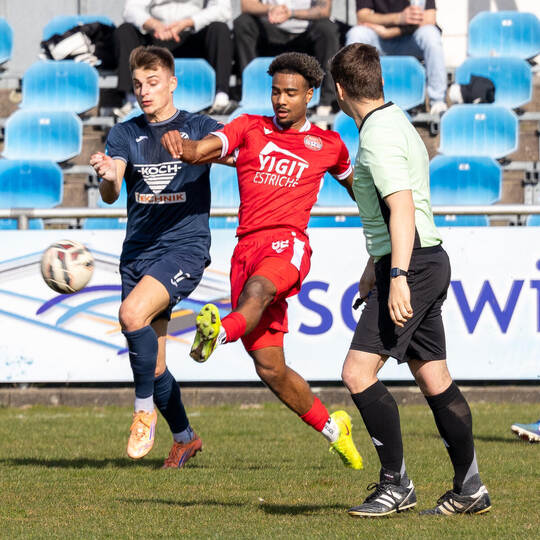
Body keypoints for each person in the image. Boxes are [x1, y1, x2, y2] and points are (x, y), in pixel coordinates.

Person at [161, 52, 363, 469]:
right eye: (275, 92)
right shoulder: (249, 127)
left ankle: (219, 333)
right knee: (270, 368)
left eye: (291, 93)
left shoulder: (329, 145)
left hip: (287, 244)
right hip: (246, 249)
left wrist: (388, 223)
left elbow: (358, 188)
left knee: (259, 290)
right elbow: (202, 150)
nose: (281, 100)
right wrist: (184, 147)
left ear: (310, 95)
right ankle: (334, 430)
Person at [329, 43, 491, 517]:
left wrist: (396, 275)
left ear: (340, 91)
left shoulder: (377, 136)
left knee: (357, 372)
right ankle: (470, 489)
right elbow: (400, 209)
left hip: (412, 264)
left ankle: (395, 485)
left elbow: (401, 206)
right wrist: (374, 266)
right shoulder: (396, 120)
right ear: (379, 81)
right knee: (434, 377)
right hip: (421, 259)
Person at [90, 45, 226, 468]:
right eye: (137, 85)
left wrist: (194, 148)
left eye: (153, 83)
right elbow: (111, 191)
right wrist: (108, 175)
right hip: (138, 254)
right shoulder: (124, 133)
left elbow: (231, 149)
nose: (144, 91)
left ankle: (143, 411)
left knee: (131, 314)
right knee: (154, 365)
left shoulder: (198, 125)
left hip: (184, 248)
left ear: (171, 83)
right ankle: (185, 438)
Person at [114, 0, 234, 116]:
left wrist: (189, 22)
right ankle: (132, 99)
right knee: (125, 30)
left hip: (193, 34)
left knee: (220, 28)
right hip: (155, 36)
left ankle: (221, 97)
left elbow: (223, 9)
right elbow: (131, 9)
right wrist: (154, 24)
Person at [234, 1, 340, 115]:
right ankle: (252, 93)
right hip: (269, 31)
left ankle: (326, 101)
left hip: (306, 33)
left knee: (327, 28)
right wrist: (271, 9)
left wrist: (291, 13)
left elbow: (324, 10)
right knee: (243, 22)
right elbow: (247, 5)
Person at [346, 0, 448, 116]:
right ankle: (355, 102)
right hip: (379, 39)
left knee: (431, 34)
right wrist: (398, 18)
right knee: (356, 34)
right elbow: (362, 17)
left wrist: (392, 31)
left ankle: (438, 101)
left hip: (410, 38)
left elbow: (429, 18)